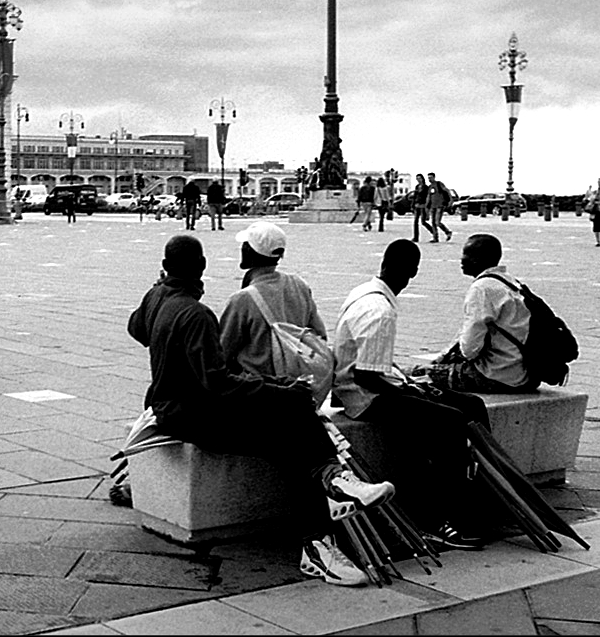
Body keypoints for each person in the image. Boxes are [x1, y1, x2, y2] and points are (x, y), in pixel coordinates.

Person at [129, 235, 395, 587]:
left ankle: (328, 507)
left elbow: (137, 328)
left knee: (291, 437)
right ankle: (328, 504)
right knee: (295, 418)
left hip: (177, 408)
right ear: (202, 267)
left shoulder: (158, 297)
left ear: (165, 267)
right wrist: (277, 387)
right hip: (194, 415)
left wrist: (157, 288)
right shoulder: (196, 314)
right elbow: (218, 383)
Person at [331, 239, 489, 551]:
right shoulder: (380, 311)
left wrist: (412, 387)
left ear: (384, 263)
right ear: (412, 273)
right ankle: (441, 518)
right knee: (451, 420)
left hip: (364, 387)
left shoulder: (365, 293)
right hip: (364, 399)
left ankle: (478, 491)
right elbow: (366, 377)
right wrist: (411, 394)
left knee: (472, 404)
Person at [411, 234, 536, 393]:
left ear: (480, 259)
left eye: (467, 254)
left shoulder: (482, 289)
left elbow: (469, 349)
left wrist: (442, 363)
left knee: (413, 375)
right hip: (524, 374)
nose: (462, 260)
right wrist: (442, 357)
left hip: (496, 375)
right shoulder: (510, 282)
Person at [219, 221, 327, 378]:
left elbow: (223, 352)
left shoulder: (243, 300)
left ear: (249, 251)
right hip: (295, 383)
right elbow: (320, 333)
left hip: (257, 388)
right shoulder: (299, 285)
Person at [426, 172, 453, 242]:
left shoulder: (439, 184)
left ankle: (447, 232)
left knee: (437, 222)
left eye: (431, 177)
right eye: (428, 178)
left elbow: (446, 190)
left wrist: (450, 200)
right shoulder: (430, 187)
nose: (429, 179)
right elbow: (429, 196)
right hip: (433, 206)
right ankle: (435, 238)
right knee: (433, 222)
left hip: (440, 205)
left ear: (434, 177)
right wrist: (427, 205)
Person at [411, 174, 433, 242]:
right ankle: (416, 237)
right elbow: (415, 196)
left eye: (419, 178)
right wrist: (413, 204)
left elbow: (427, 197)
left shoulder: (426, 187)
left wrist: (427, 206)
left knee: (423, 222)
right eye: (417, 178)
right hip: (417, 205)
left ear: (422, 179)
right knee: (415, 222)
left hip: (423, 205)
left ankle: (433, 232)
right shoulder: (417, 187)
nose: (418, 180)